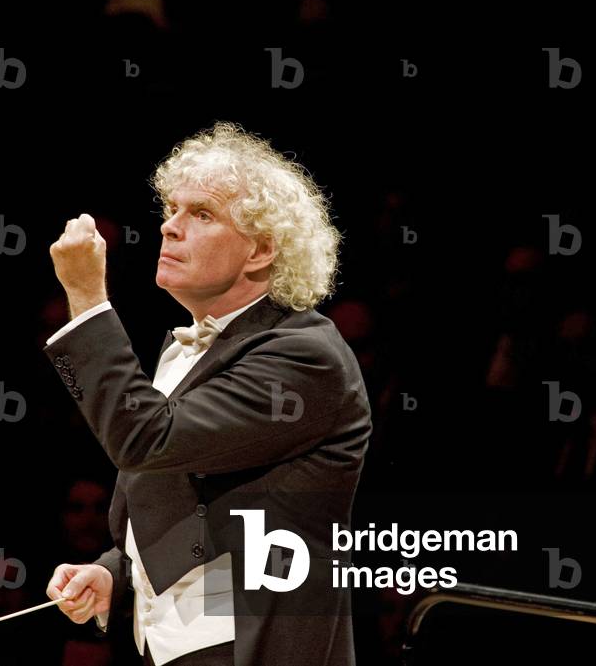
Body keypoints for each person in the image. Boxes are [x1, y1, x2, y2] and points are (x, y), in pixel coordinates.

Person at [43, 122, 372, 666]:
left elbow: (145, 441)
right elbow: (190, 496)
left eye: (202, 214)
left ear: (261, 251)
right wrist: (115, 574)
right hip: (168, 649)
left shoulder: (303, 356)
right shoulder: (188, 347)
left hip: (247, 648)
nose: (170, 228)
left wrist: (85, 296)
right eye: (171, 210)